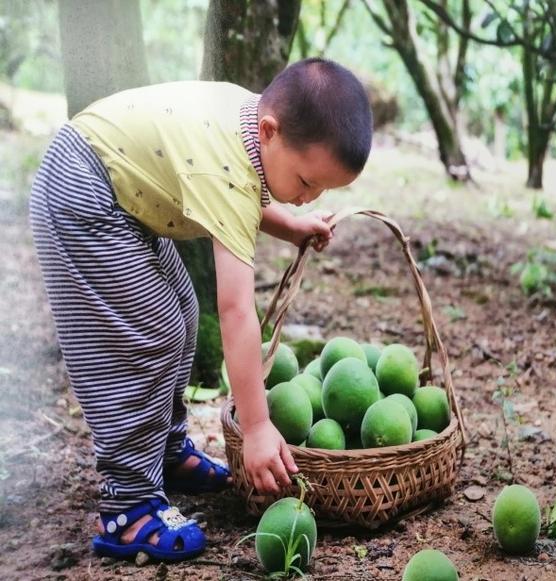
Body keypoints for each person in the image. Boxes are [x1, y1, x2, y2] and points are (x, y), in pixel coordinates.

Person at [29, 57, 373, 561]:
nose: (309, 197)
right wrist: (256, 427)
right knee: (152, 331)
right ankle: (128, 504)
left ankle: (163, 452)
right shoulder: (230, 159)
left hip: (119, 190)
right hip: (83, 189)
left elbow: (243, 191)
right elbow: (235, 309)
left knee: (182, 311)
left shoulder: (248, 125)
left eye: (320, 190)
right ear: (270, 131)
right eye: (305, 182)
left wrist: (291, 225)